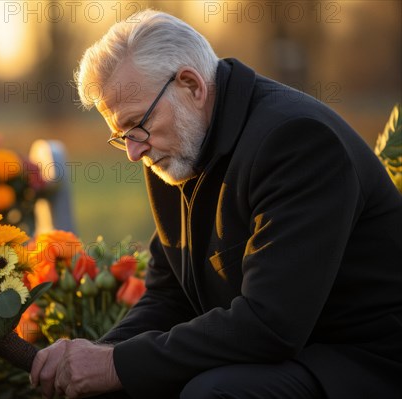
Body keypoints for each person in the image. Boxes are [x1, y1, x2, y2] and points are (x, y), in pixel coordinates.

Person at [30, 9, 402, 399]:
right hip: (276, 355)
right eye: (121, 135)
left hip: (358, 364)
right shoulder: (179, 145)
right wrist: (96, 357)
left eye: (137, 124)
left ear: (191, 85)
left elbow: (270, 325)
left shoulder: (296, 141)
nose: (133, 152)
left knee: (213, 393)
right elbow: (168, 296)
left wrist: (117, 365)